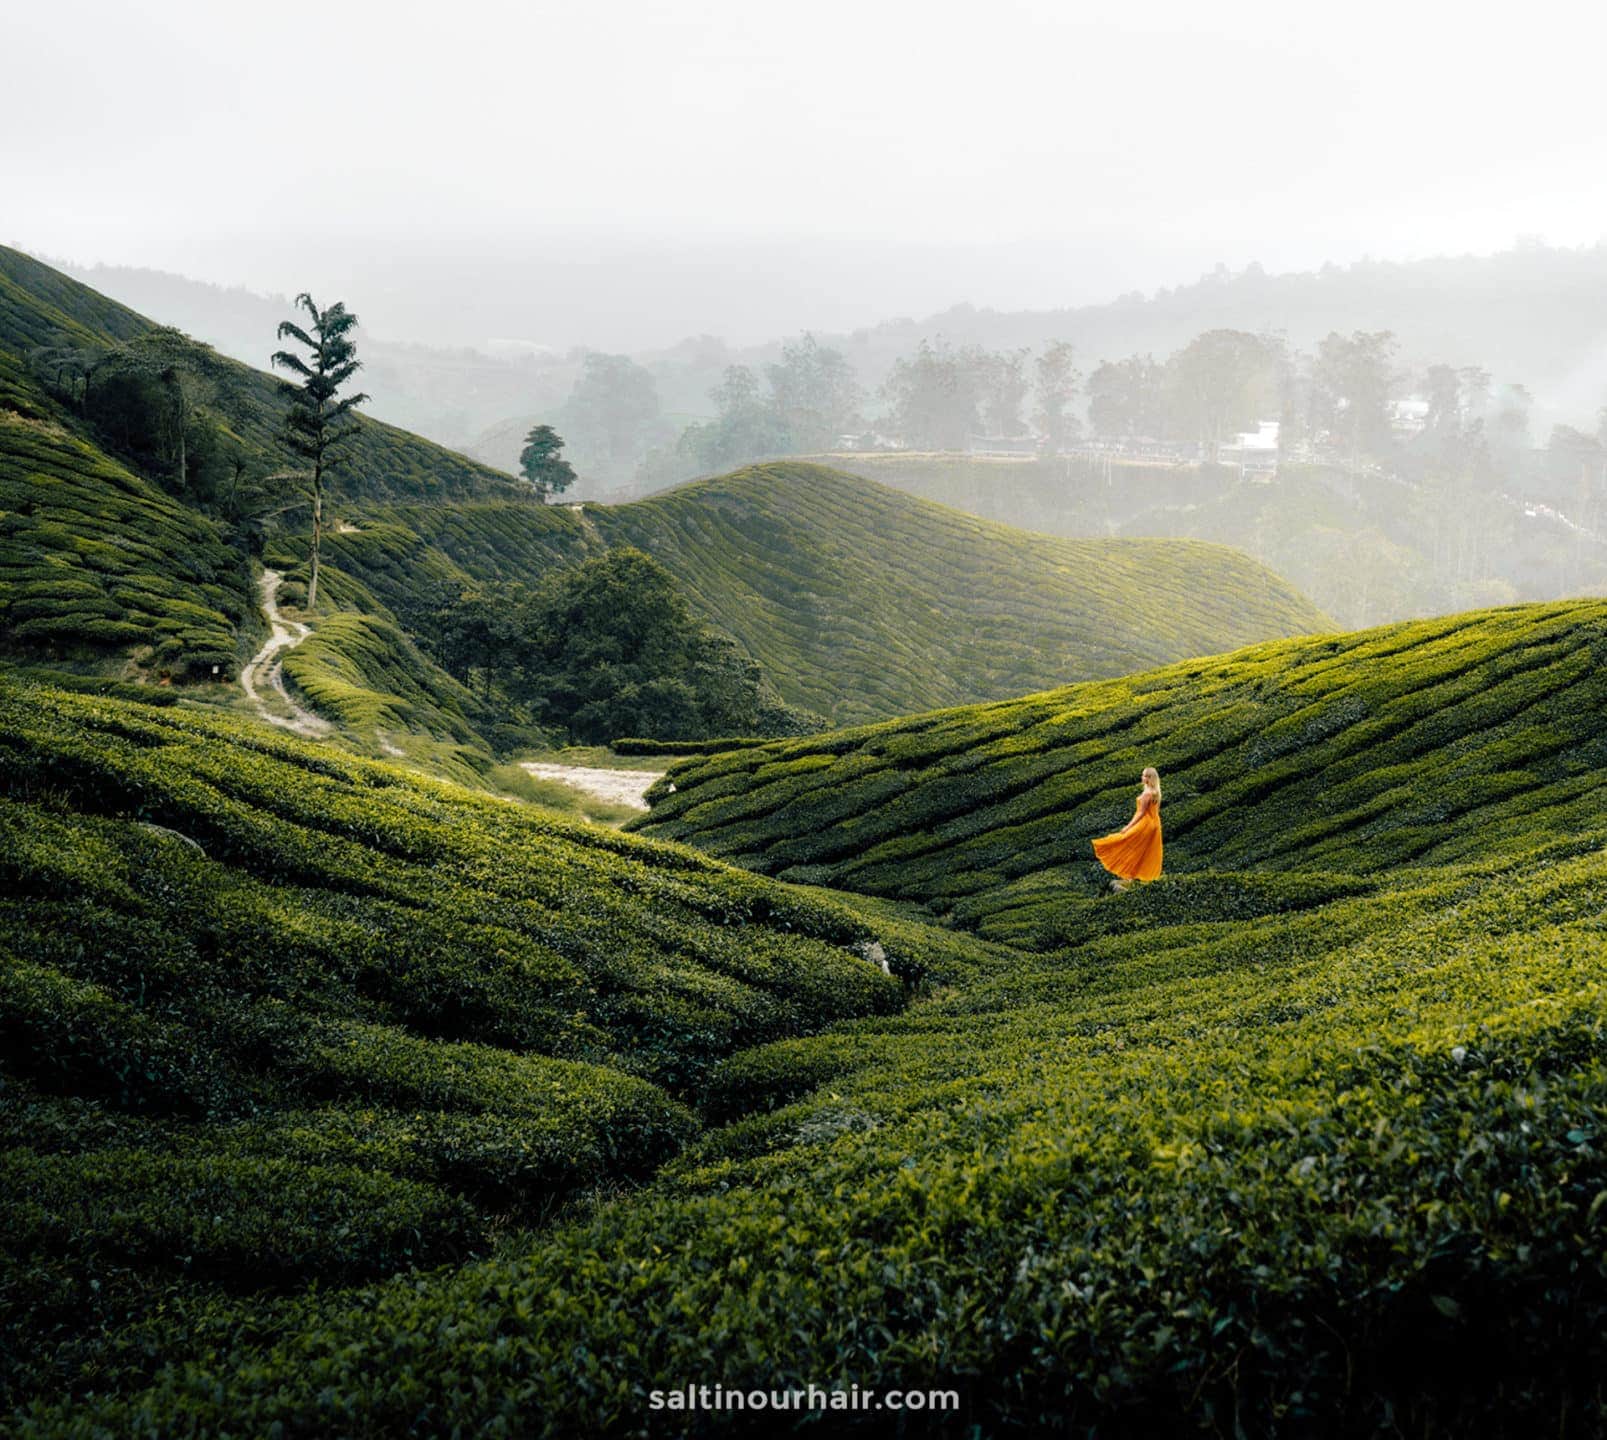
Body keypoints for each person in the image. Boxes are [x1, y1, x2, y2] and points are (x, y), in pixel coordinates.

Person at [1092, 766, 1163, 892]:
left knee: (1125, 841)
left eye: (1145, 776)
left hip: (1145, 824)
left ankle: (1130, 875)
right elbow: (1155, 812)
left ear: (1149, 778)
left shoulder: (1147, 794)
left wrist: (1128, 826)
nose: (1142, 778)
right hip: (1154, 825)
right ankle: (1134, 876)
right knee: (1142, 850)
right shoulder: (1155, 791)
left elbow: (1140, 813)